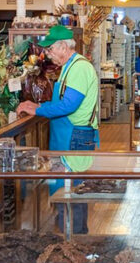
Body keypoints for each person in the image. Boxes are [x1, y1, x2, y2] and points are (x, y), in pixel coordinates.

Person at [16, 25, 98, 233]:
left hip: (75, 136)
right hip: (68, 135)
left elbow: (68, 105)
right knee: (66, 189)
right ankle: (68, 237)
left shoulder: (79, 68)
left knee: (72, 190)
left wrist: (38, 109)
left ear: (63, 46)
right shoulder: (70, 66)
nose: (47, 54)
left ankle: (75, 240)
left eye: (50, 49)